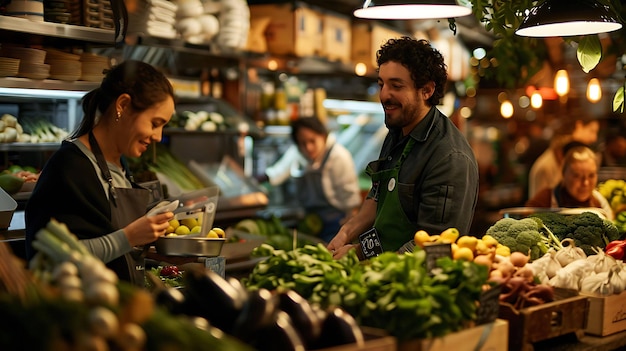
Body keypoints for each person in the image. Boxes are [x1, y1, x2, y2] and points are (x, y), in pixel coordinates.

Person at [25, 60, 176, 285]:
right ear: (123, 105)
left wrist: (155, 244)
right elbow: (51, 259)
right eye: (155, 123)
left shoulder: (121, 166)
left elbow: (114, 247)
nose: (157, 136)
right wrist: (130, 237)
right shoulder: (70, 168)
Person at [327, 37, 479, 259]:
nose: (384, 95)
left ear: (426, 90)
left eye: (396, 86)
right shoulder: (398, 131)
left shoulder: (448, 157)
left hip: (418, 284)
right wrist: (346, 233)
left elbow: (435, 247)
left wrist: (358, 255)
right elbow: (377, 194)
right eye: (381, 84)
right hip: (380, 271)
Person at [259, 117, 362, 242]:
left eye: (312, 141)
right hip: (309, 220)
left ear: (323, 137)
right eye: (303, 143)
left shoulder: (339, 157)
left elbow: (351, 200)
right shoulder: (297, 153)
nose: (308, 147)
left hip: (336, 223)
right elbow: (277, 173)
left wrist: (349, 228)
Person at [526, 145, 613, 220]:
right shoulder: (544, 200)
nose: (585, 183)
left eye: (591, 176)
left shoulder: (598, 202)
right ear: (563, 175)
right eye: (577, 176)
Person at [527, 118, 599, 198]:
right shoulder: (546, 167)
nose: (594, 138)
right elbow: (539, 207)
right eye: (592, 131)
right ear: (578, 126)